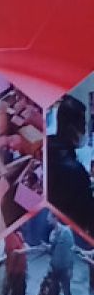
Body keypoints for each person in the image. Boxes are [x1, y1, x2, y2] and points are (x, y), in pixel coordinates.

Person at [46, 95, 94, 236]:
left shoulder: (47, 150)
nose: (85, 130)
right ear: (72, 128)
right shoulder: (76, 173)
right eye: (83, 125)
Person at [43, 212, 76, 295]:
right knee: (54, 293)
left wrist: (71, 268)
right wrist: (46, 248)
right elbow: (51, 251)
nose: (47, 221)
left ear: (55, 218)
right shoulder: (52, 234)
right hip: (54, 269)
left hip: (65, 269)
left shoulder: (66, 232)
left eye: (49, 219)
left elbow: (72, 251)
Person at [1, 228, 31, 295]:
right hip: (14, 270)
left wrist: (26, 246)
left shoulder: (17, 234)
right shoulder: (9, 236)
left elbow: (22, 244)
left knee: (23, 288)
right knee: (15, 290)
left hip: (21, 268)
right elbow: (13, 252)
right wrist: (25, 250)